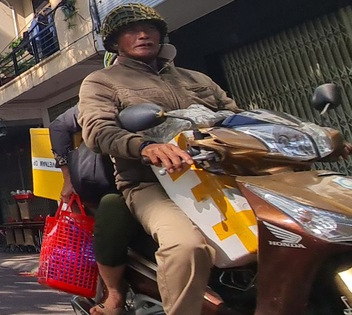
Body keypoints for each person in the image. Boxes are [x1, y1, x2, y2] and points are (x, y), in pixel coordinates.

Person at [77, 3, 244, 314]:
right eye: (131, 30)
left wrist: (313, 138)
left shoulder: (196, 78)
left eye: (150, 29)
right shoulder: (102, 81)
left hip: (219, 175)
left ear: (161, 36)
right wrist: (143, 147)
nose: (143, 35)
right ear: (115, 42)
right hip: (151, 183)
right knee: (186, 246)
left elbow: (237, 118)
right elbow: (98, 131)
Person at [49, 105, 146, 315]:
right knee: (113, 207)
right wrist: (68, 178)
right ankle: (114, 294)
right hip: (123, 182)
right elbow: (58, 126)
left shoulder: (186, 85)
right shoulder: (102, 95)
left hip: (176, 177)